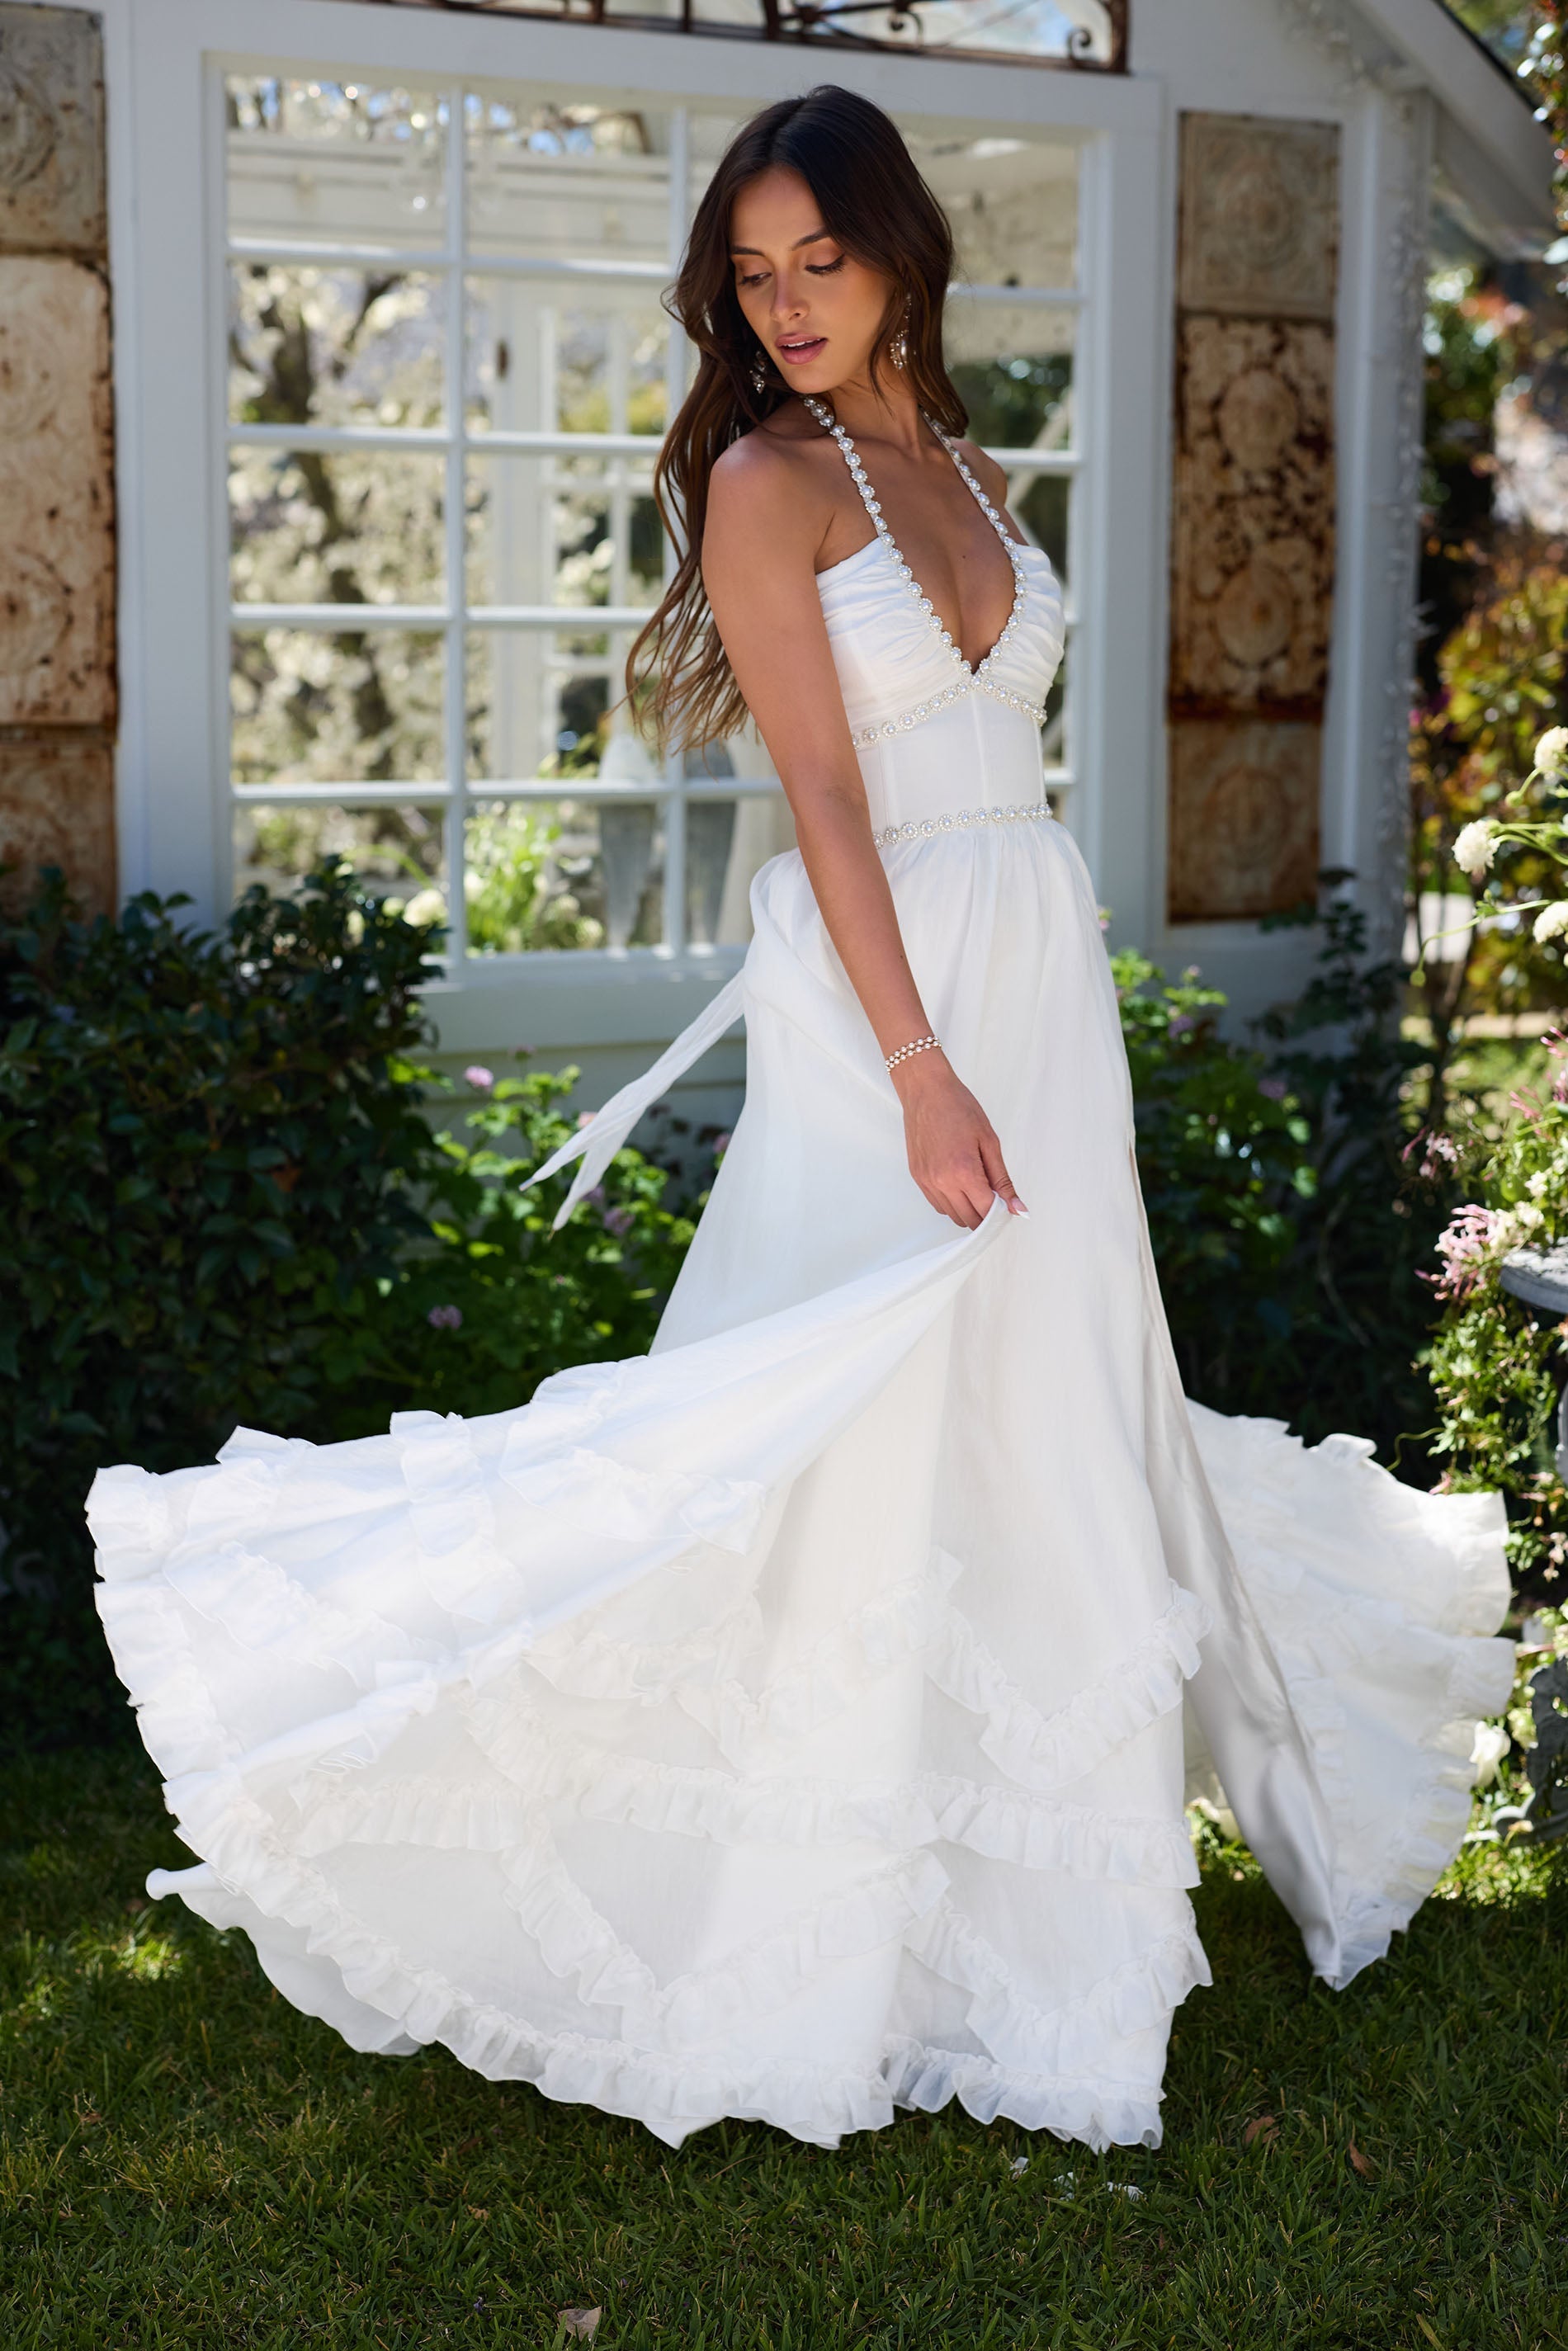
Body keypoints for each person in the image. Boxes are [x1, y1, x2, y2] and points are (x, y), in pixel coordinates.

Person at [88, 86, 1515, 2155]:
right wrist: (919, 1067)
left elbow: (994, 758)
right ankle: (799, 1890)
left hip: (1031, 966)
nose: (783, 306)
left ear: (897, 254)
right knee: (845, 1409)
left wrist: (999, 1032)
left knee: (1044, 1406)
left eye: (816, 263)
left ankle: (1015, 1892)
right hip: (888, 998)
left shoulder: (968, 462)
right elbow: (825, 795)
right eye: (752, 277)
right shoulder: (763, 481)